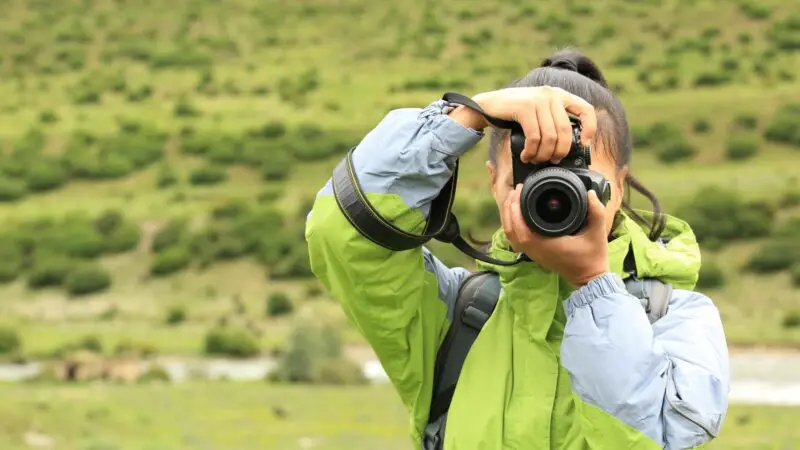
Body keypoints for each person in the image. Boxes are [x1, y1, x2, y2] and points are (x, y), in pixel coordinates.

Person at [305, 50, 729, 449]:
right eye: (529, 175)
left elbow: (660, 437)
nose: (553, 195)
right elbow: (341, 233)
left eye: (577, 179)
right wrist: (467, 114)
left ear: (618, 186)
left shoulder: (678, 319)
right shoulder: (455, 318)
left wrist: (592, 284)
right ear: (493, 182)